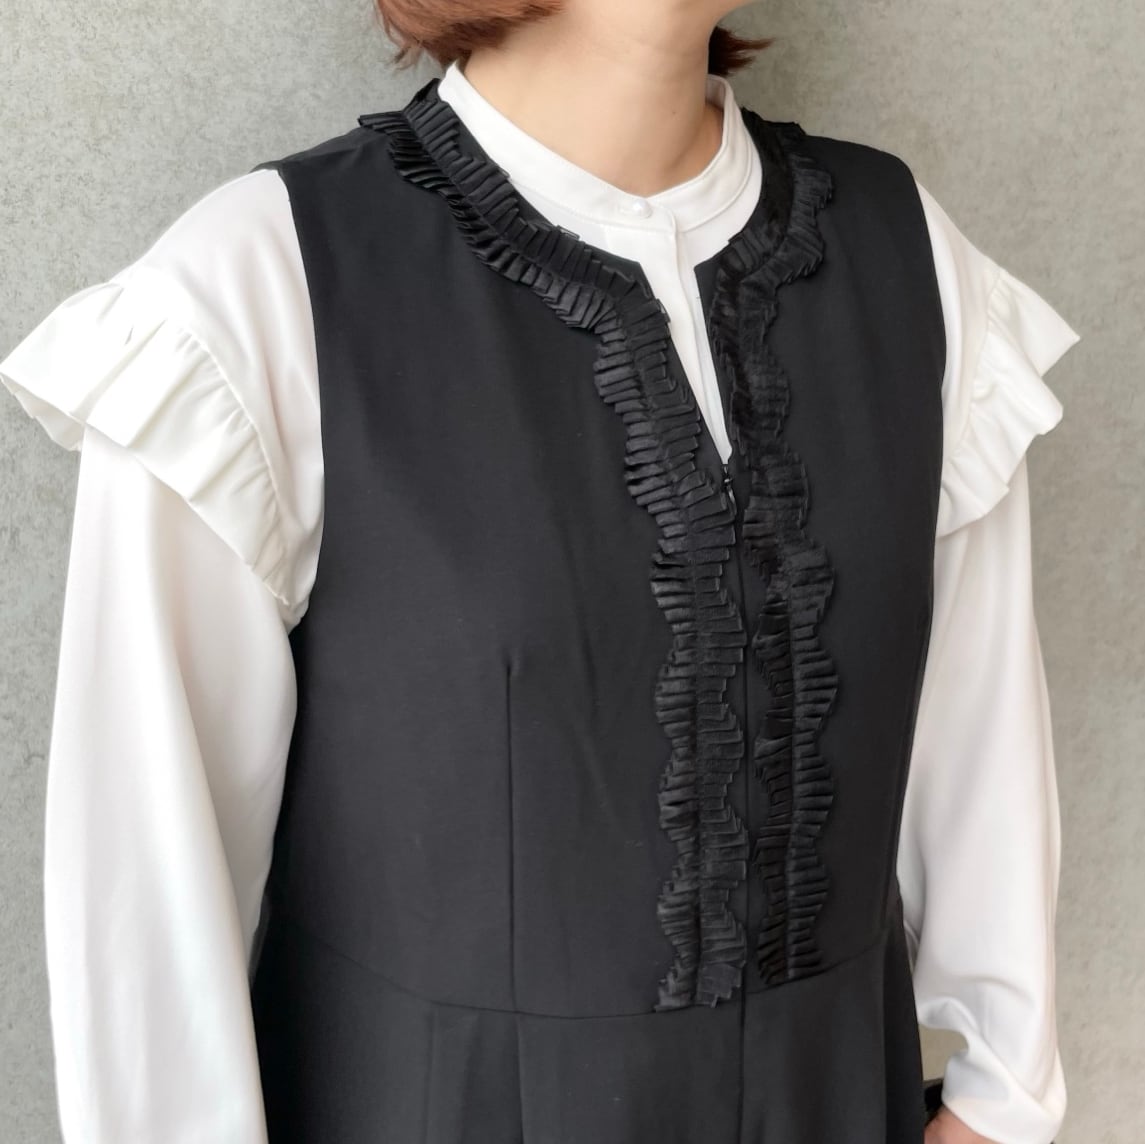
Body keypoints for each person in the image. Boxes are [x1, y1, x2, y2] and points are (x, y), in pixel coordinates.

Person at [0, 1, 1079, 1142]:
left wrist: (996, 1109)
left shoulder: (905, 255)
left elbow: (983, 757)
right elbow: (151, 911)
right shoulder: (256, 288)